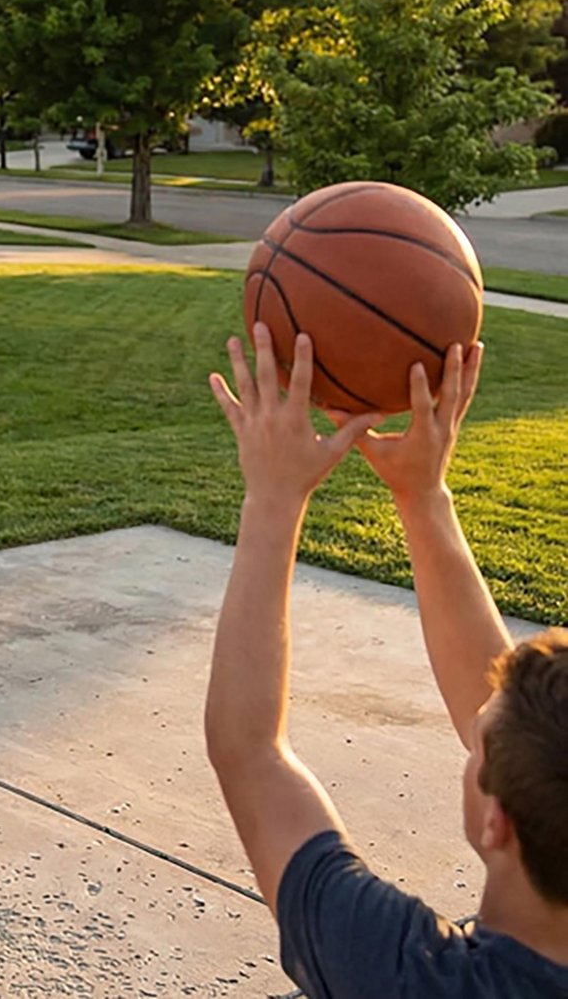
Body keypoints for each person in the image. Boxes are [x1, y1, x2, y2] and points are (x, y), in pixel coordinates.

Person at [204, 324, 568, 997]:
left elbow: (248, 751)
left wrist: (274, 500)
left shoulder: (407, 976)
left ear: (498, 823)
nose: (474, 725)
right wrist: (422, 495)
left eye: (476, 747)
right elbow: (536, 751)